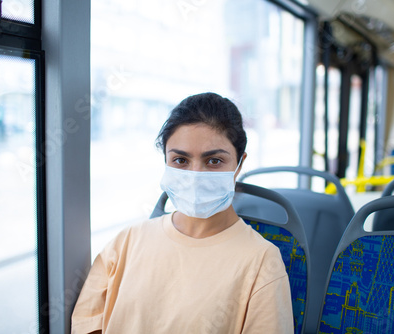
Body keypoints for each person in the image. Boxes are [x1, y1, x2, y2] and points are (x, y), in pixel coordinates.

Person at [71, 92, 294, 334]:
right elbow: (87, 325)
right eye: (180, 160)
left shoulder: (262, 262)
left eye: (214, 161)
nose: (195, 174)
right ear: (166, 160)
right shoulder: (127, 242)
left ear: (239, 164)